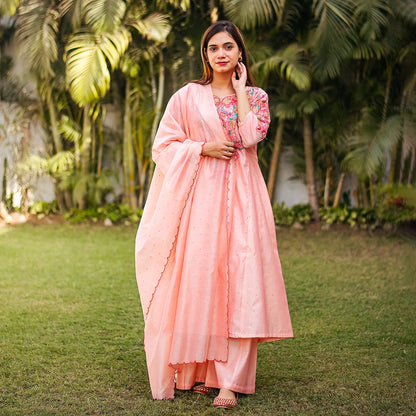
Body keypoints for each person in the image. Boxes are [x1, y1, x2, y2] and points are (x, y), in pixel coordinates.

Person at [135, 20, 293, 408]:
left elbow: (251, 136)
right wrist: (201, 148)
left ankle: (230, 382)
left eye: (228, 47)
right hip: (202, 200)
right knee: (204, 278)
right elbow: (163, 145)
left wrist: (240, 92)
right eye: (213, 49)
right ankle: (205, 370)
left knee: (242, 282)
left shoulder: (256, 96)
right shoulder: (188, 96)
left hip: (245, 199)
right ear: (205, 55)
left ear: (240, 52)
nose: (220, 54)